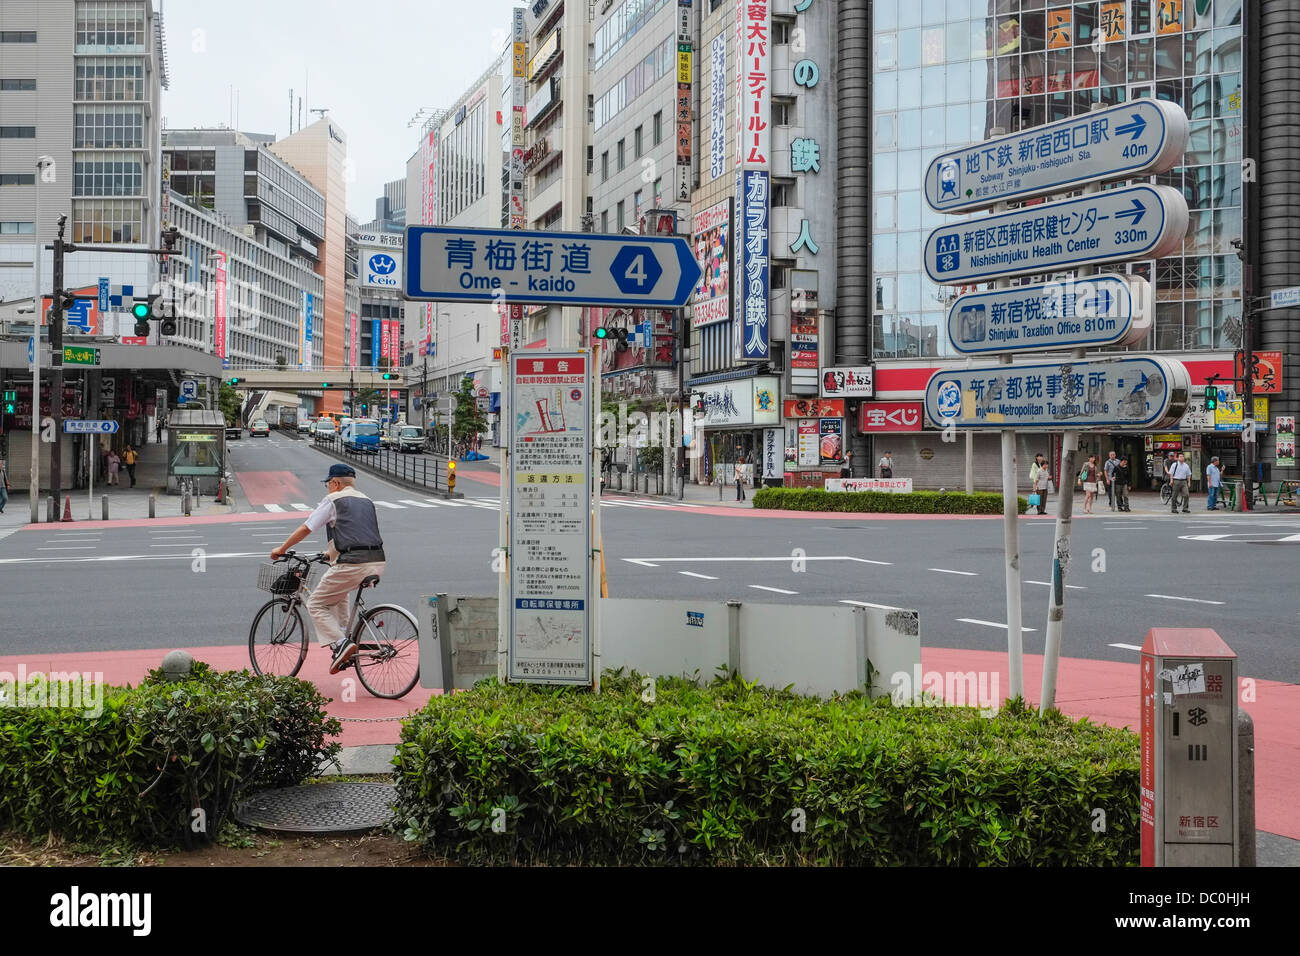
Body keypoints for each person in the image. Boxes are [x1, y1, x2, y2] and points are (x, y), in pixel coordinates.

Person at [271, 464, 386, 674]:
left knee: (315, 603)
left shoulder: (333, 500)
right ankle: (343, 641)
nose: (328, 488)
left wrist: (282, 548)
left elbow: (307, 527)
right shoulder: (366, 500)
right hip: (377, 561)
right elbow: (355, 532)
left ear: (336, 483)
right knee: (339, 593)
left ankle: (342, 644)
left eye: (328, 484)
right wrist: (328, 555)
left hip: (352, 563)